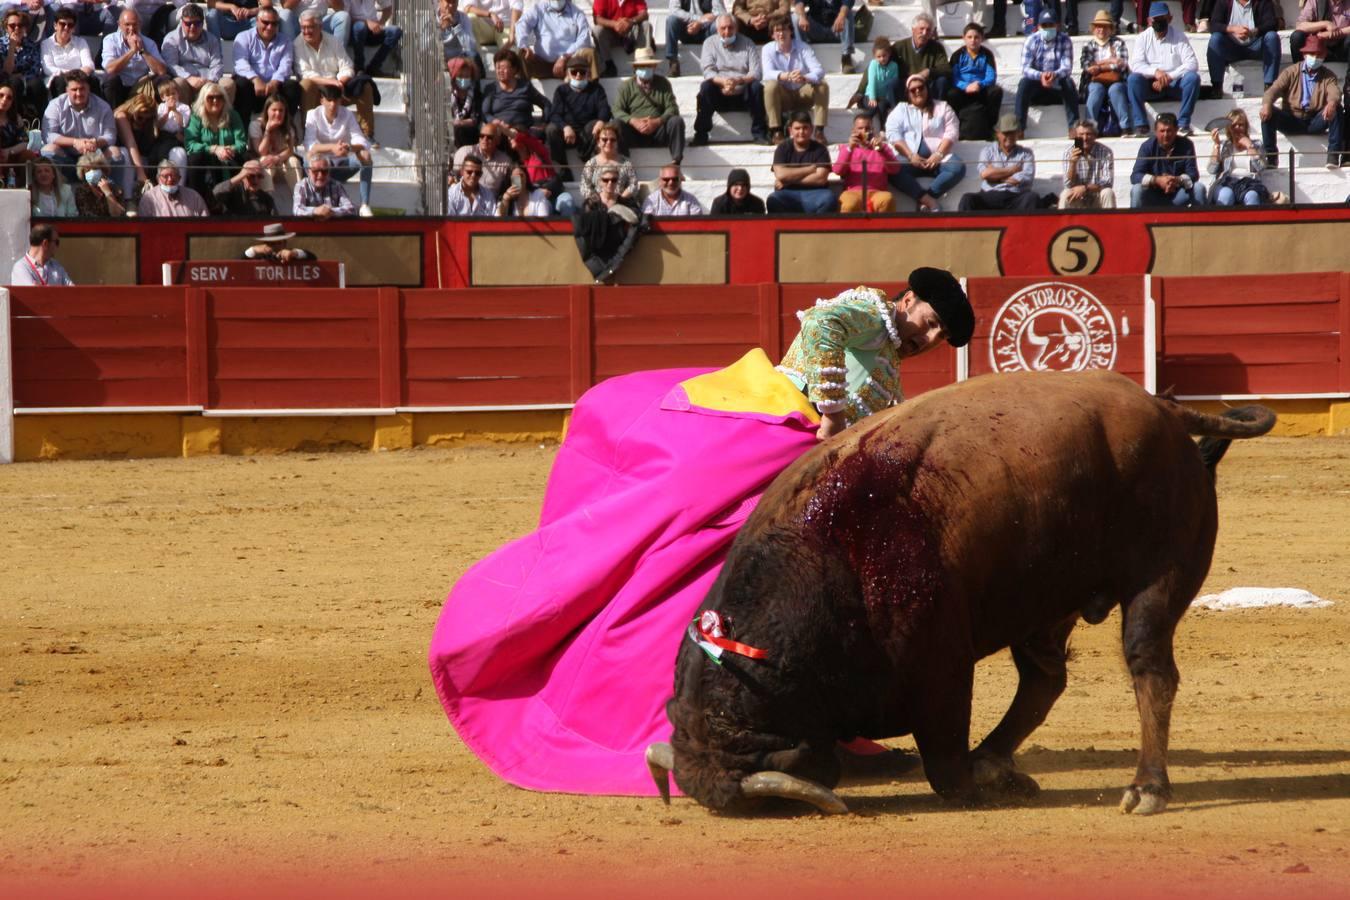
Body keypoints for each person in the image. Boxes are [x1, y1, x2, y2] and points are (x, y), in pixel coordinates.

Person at [427, 267, 975, 796]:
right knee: (707, 535)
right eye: (930, 322)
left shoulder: (889, 370)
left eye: (940, 337)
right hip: (783, 433)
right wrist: (830, 411)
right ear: (907, 300)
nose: (929, 338)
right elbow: (822, 325)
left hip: (809, 462)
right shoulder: (867, 311)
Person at [885, 73, 964, 213]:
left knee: (957, 167)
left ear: (927, 88)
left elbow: (952, 131)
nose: (917, 91)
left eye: (921, 87)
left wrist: (939, 154)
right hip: (910, 159)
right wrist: (910, 155)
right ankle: (930, 202)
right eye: (913, 89)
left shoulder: (942, 106)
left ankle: (926, 199)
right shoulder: (901, 109)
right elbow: (892, 133)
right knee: (891, 169)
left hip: (939, 159)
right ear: (908, 93)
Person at [1260, 34, 1342, 168]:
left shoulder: (1328, 75)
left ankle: (1333, 154)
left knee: (1337, 109)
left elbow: (1334, 91)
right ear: (1304, 54)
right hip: (1292, 119)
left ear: (1324, 56)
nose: (1315, 58)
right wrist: (1267, 103)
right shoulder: (1290, 72)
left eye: (1318, 54)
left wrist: (1332, 102)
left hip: (1315, 120)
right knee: (1267, 113)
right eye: (1312, 53)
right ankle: (1271, 157)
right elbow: (1273, 90)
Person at [295, 8, 376, 141]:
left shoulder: (333, 41)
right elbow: (305, 74)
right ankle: (308, 133)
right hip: (316, 94)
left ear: (320, 26)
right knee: (306, 84)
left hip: (337, 91)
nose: (306, 31)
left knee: (364, 86)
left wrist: (341, 81)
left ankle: (367, 134)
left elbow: (347, 66)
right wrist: (331, 82)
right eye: (303, 27)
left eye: (310, 27)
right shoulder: (297, 44)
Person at [1127, 2, 1201, 136]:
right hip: (1151, 85)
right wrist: (1156, 72)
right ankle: (1141, 124)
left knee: (1192, 78)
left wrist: (1169, 77)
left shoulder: (1179, 37)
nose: (1159, 22)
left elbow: (1192, 63)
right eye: (1156, 19)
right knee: (1133, 79)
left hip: (1174, 83)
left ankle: (1183, 123)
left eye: (1163, 19)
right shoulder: (1142, 38)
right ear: (1149, 21)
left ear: (1170, 19)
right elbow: (1136, 65)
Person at [692, 14, 766, 146]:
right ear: (717, 29)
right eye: (723, 28)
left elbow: (756, 72)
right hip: (720, 92)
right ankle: (701, 134)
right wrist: (723, 82)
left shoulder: (748, 43)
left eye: (730, 28)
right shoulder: (709, 43)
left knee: (756, 87)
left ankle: (759, 133)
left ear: (736, 28)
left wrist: (738, 81)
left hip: (743, 92)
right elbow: (708, 71)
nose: (727, 32)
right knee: (706, 87)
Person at [304, 82, 374, 216]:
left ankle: (364, 204)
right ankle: (314, 201)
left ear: (340, 101)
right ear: (322, 100)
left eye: (336, 100)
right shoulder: (313, 114)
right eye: (329, 100)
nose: (333, 105)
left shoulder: (347, 114)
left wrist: (348, 147)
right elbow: (310, 145)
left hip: (342, 166)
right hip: (323, 166)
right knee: (308, 160)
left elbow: (361, 141)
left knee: (365, 156)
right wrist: (332, 147)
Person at [41, 71, 123, 185]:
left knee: (115, 152)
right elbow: (48, 135)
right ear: (67, 90)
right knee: (49, 149)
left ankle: (115, 191)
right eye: (74, 90)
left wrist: (95, 142)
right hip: (66, 158)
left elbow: (110, 136)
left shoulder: (103, 107)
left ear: (88, 89)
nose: (79, 93)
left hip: (95, 159)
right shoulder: (55, 105)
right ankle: (60, 187)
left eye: (82, 89)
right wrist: (75, 142)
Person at [762, 14, 828, 144]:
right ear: (772, 35)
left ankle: (819, 131)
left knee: (822, 85)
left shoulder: (803, 47)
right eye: (777, 31)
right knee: (770, 86)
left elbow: (819, 70)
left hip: (802, 93)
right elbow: (767, 73)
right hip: (783, 96)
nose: (781, 34)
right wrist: (784, 75)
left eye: (784, 30)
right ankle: (777, 131)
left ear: (791, 31)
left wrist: (804, 77)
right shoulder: (767, 49)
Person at [545, 49, 609, 182]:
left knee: (596, 125)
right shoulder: (561, 90)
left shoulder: (597, 89)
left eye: (582, 72)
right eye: (574, 72)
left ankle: (590, 166)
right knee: (551, 129)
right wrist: (565, 127)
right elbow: (554, 114)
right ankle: (563, 168)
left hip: (587, 132)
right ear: (568, 74)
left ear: (588, 73)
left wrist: (601, 121)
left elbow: (604, 109)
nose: (578, 75)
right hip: (566, 134)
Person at [613, 45, 686, 159]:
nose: (645, 68)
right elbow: (616, 110)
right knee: (616, 124)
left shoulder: (663, 83)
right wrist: (633, 121)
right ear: (635, 68)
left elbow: (672, 108)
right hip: (634, 133)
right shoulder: (626, 86)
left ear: (654, 66)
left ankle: (676, 162)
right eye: (642, 66)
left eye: (649, 65)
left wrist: (657, 122)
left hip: (658, 132)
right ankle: (624, 162)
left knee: (676, 121)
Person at [1015, 8, 1078, 134]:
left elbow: (1066, 68)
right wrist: (1041, 76)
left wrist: (1053, 75)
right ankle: (1018, 128)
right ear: (1038, 26)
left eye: (1051, 25)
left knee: (1069, 83)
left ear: (1058, 26)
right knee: (1024, 83)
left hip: (1056, 83)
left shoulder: (1065, 40)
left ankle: (1074, 127)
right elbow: (1025, 68)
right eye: (1044, 25)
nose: (1047, 28)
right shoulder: (1031, 40)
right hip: (1037, 85)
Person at [958, 112, 1037, 210]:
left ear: (1018, 133)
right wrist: (1012, 170)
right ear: (997, 133)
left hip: (1015, 196)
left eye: (1012, 132)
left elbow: (1026, 178)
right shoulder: (987, 151)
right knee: (967, 199)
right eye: (1005, 133)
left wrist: (995, 175)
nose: (1009, 137)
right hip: (989, 195)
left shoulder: (1026, 154)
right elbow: (985, 174)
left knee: (1032, 198)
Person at [115, 88, 186, 197]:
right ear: (133, 111)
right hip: (125, 161)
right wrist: (141, 174)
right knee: (125, 153)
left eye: (147, 119)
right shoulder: (121, 116)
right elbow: (131, 144)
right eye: (139, 117)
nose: (143, 121)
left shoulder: (149, 121)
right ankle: (128, 198)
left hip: (144, 158)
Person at [232, 6, 299, 120]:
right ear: (257, 21)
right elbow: (241, 64)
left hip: (274, 87)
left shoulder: (285, 41)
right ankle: (242, 130)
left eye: (274, 24)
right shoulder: (243, 37)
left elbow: (286, 66)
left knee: (292, 86)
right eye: (266, 22)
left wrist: (274, 82)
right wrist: (256, 80)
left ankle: (287, 129)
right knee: (241, 84)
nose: (270, 27)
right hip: (251, 86)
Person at [1130, 111, 1206, 206]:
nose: (1166, 135)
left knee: (1199, 188)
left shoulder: (1187, 145)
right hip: (1154, 196)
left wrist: (1177, 180)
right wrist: (1157, 180)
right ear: (1155, 131)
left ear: (1176, 130)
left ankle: (1201, 221)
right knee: (1137, 190)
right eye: (1162, 131)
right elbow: (1135, 176)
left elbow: (1193, 174)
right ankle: (1136, 221)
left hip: (1178, 195)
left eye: (1169, 130)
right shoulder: (1147, 146)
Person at [159, 4, 232, 105]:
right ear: (182, 22)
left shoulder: (212, 39)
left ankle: (223, 119)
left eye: (197, 23)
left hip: (208, 81)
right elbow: (171, 65)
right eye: (188, 23)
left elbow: (217, 64)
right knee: (178, 83)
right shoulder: (171, 39)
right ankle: (184, 119)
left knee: (228, 84)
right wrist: (188, 78)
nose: (192, 27)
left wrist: (210, 81)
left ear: (202, 23)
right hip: (185, 82)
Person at [1206, 0, 1280, 95]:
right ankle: (1216, 87)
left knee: (1272, 36)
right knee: (1215, 38)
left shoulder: (1262, 2)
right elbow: (1213, 25)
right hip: (1231, 47)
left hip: (1255, 46)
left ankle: (1269, 86)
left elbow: (1272, 23)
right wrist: (1232, 29)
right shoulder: (1224, 2)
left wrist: (1253, 32)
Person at [185, 80, 245, 196]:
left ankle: (236, 197)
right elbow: (190, 144)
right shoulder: (196, 117)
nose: (215, 101)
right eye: (210, 97)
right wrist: (214, 149)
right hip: (207, 158)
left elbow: (241, 143)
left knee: (243, 157)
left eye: (219, 97)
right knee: (195, 158)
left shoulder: (232, 115)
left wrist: (228, 149)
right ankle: (198, 198)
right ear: (203, 100)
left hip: (229, 157)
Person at [766, 108, 834, 212]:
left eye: (805, 128)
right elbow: (780, 175)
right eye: (797, 128)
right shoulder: (782, 148)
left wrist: (788, 181)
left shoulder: (820, 149)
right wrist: (810, 169)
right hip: (787, 193)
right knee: (773, 200)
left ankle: (815, 228)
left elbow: (820, 179)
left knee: (829, 199)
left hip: (816, 193)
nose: (801, 132)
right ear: (790, 130)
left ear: (811, 129)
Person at [101, 9, 169, 109]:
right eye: (127, 25)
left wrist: (142, 51)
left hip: (141, 88)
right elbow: (110, 69)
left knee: (164, 80)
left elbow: (162, 71)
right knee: (111, 80)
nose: (131, 28)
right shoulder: (110, 40)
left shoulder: (149, 43)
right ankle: (114, 118)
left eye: (134, 24)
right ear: (119, 25)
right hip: (120, 87)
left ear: (140, 24)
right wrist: (132, 51)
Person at [563, 120, 636, 213]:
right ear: (598, 142)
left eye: (613, 140)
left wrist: (619, 199)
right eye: (604, 139)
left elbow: (633, 185)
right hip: (597, 207)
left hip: (621, 206)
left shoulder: (626, 163)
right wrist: (600, 200)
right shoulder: (591, 164)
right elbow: (584, 186)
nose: (609, 142)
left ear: (617, 142)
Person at [1078, 10, 1131, 135]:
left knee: (1116, 90)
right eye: (1098, 26)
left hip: (1116, 79)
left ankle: (1125, 127)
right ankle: (1089, 128)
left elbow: (1121, 65)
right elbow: (1087, 66)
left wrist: (1099, 66)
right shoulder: (1088, 45)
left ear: (1110, 29)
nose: (1101, 29)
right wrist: (1109, 61)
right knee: (1096, 90)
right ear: (1094, 29)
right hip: (1094, 80)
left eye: (1104, 26)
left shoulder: (1118, 42)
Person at [945, 22, 1001, 141]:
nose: (973, 40)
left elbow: (991, 76)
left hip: (980, 89)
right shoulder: (957, 55)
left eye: (976, 37)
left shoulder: (987, 54)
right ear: (963, 38)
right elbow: (954, 77)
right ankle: (956, 126)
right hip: (963, 90)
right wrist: (965, 86)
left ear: (982, 38)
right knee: (951, 94)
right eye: (969, 37)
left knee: (996, 91)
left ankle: (990, 126)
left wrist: (980, 84)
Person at [833, 111, 898, 212]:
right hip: (852, 192)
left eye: (867, 129)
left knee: (887, 200)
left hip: (877, 192)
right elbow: (838, 170)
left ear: (873, 130)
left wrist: (882, 150)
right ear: (853, 131)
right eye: (860, 128)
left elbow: (895, 169)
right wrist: (850, 149)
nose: (864, 131)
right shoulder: (847, 149)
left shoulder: (882, 148)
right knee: (849, 204)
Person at [514, 0, 593, 80]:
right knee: (523, 53)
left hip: (567, 64)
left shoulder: (577, 13)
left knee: (589, 54)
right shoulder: (538, 9)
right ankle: (522, 90)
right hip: (542, 63)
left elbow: (584, 39)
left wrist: (564, 57)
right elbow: (522, 24)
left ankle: (592, 89)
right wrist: (524, 45)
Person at [249, 92, 303, 204]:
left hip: (281, 162)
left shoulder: (288, 126)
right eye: (274, 110)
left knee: (293, 161)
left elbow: (290, 150)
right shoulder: (255, 125)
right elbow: (260, 151)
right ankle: (266, 201)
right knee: (266, 161)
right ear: (267, 110)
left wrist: (277, 158)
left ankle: (300, 199)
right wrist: (268, 131)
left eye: (281, 110)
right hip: (263, 162)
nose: (278, 113)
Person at [481, 46, 550, 133]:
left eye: (503, 68)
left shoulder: (525, 87)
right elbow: (485, 113)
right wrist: (496, 122)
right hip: (500, 131)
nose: (500, 71)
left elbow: (546, 104)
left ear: (514, 69)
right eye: (498, 68)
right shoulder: (491, 89)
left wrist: (544, 123)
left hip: (523, 130)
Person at [1207, 108, 1269, 204]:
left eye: (1241, 125)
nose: (1237, 128)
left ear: (1246, 127)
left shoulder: (1256, 144)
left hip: (1249, 184)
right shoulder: (1224, 145)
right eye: (1233, 125)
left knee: (1252, 196)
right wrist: (1217, 145)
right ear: (1229, 128)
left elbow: (1261, 168)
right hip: (1226, 183)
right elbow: (1212, 169)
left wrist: (1250, 146)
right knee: (1226, 196)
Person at [40, 9, 98, 101]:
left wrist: (76, 75)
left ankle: (97, 112)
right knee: (60, 80)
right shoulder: (46, 44)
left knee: (93, 80)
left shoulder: (80, 42)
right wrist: (73, 74)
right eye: (62, 24)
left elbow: (89, 64)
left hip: (80, 78)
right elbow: (48, 69)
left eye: (70, 25)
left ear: (74, 28)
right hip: (58, 79)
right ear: (55, 25)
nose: (66, 28)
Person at [790, 0, 858, 74]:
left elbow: (847, 3)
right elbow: (799, 2)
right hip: (815, 28)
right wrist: (802, 16)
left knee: (847, 14)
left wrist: (841, 16)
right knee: (795, 17)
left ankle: (846, 58)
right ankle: (803, 57)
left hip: (837, 28)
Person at [1060, 118, 1115, 207]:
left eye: (1088, 134)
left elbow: (1107, 182)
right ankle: (1064, 221)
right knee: (1065, 194)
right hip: (1077, 195)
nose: (1085, 138)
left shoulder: (1106, 152)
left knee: (1107, 192)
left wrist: (1085, 188)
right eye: (1081, 134)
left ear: (1095, 136)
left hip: (1096, 194)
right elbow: (1067, 184)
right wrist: (1073, 163)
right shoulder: (1069, 152)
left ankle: (1110, 221)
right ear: (1076, 136)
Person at [894, 12, 950, 98]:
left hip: (927, 86)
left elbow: (946, 68)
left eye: (928, 30)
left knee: (942, 81)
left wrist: (929, 71)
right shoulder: (899, 46)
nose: (924, 33)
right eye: (921, 29)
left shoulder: (937, 47)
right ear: (913, 29)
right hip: (906, 85)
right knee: (892, 83)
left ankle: (937, 109)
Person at [2, 9, 46, 117]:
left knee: (37, 84)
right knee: (15, 83)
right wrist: (12, 47)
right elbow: (6, 72)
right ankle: (14, 120)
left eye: (20, 25)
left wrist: (20, 77)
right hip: (6, 82)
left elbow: (35, 69)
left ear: (25, 28)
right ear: (6, 28)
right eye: (12, 26)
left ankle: (39, 122)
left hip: (27, 80)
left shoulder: (32, 45)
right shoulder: (1, 45)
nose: (16, 29)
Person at [591, 0, 651, 79]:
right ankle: (608, 65)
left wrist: (630, 21)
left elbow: (644, 14)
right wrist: (614, 24)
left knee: (646, 25)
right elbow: (597, 19)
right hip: (611, 33)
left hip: (631, 31)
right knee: (597, 30)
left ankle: (642, 64)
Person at [664, 0, 724, 77]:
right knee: (671, 20)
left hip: (706, 31)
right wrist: (698, 19)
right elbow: (674, 10)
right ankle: (673, 62)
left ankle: (720, 63)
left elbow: (721, 12)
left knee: (719, 24)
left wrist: (700, 23)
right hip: (687, 29)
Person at [452, 121, 513, 194]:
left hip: (491, 203)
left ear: (498, 141)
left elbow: (515, 178)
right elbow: (453, 177)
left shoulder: (505, 160)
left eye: (489, 137)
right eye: (482, 136)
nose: (485, 139)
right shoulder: (465, 152)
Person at [136, 157, 208, 214]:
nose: (170, 179)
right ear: (158, 179)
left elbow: (205, 225)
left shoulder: (194, 197)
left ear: (179, 178)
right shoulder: (149, 198)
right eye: (165, 176)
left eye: (173, 176)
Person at [854, 36, 899, 127]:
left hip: (883, 97)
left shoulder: (894, 66)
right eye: (879, 56)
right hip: (870, 95)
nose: (882, 59)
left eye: (884, 56)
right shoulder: (873, 64)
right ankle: (862, 127)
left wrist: (887, 98)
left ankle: (883, 129)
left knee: (882, 107)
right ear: (875, 56)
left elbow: (894, 82)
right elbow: (872, 82)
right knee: (873, 108)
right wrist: (872, 97)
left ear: (889, 54)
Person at [347, 0, 401, 76]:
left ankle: (374, 67)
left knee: (395, 31)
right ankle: (359, 67)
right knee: (359, 27)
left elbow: (388, 8)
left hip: (373, 31)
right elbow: (345, 16)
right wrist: (367, 22)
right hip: (354, 34)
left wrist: (380, 23)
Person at [9, 223, 74, 285]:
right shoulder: (21, 267)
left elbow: (72, 291)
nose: (58, 247)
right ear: (45, 243)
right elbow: (33, 293)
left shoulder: (56, 266)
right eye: (56, 242)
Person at [293, 150, 353, 215]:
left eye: (324, 171)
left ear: (329, 172)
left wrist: (330, 211)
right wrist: (314, 211)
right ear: (308, 172)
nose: (320, 175)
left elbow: (351, 208)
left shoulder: (336, 185)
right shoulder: (301, 185)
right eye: (315, 171)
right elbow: (297, 209)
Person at [0, 82, 37, 185]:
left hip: (10, 157)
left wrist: (9, 151)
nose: (4, 100)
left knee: (28, 155)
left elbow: (25, 142)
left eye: (9, 98)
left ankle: (26, 187)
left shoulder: (15, 119)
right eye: (1, 95)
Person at [72, 149, 127, 216]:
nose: (92, 172)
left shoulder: (117, 190)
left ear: (103, 171)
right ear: (83, 174)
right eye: (88, 170)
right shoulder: (81, 191)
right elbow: (88, 216)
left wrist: (108, 193)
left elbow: (117, 215)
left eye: (95, 169)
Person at [214, 157, 278, 213]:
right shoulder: (233, 191)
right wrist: (240, 175)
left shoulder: (267, 199)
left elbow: (276, 222)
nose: (256, 180)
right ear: (243, 176)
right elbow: (216, 194)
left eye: (259, 176)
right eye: (251, 176)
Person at [447, 55, 483, 150]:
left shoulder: (475, 94)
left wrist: (460, 123)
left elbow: (475, 119)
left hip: (469, 135)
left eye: (467, 76)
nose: (463, 80)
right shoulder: (447, 94)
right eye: (460, 76)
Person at [438, 0, 481, 66]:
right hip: (437, 61)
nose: (451, 5)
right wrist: (440, 29)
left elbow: (470, 46)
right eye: (448, 2)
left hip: (458, 61)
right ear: (440, 1)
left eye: (454, 2)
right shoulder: (431, 17)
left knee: (472, 54)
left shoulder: (464, 18)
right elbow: (423, 47)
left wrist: (455, 25)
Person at [242, 221, 313, 259]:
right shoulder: (260, 257)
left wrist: (294, 253)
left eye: (279, 243)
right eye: (271, 244)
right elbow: (238, 263)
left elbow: (311, 256)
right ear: (265, 244)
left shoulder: (291, 254)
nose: (275, 247)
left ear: (285, 243)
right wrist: (253, 250)